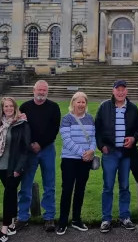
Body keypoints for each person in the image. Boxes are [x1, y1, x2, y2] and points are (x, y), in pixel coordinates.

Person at [94, 79, 138, 233]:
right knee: (107, 186)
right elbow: (97, 128)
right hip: (110, 152)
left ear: (126, 91)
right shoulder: (104, 106)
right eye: (117, 89)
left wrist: (133, 138)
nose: (120, 92)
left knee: (125, 186)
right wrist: (101, 146)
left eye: (123, 89)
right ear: (113, 91)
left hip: (126, 153)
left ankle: (124, 217)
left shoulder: (133, 108)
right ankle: (106, 219)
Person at [17, 80, 61, 232]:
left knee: (49, 184)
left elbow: (54, 130)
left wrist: (40, 144)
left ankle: (49, 217)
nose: (41, 92)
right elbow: (21, 128)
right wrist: (30, 144)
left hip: (47, 148)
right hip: (29, 151)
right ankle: (22, 217)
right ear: (33, 90)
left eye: (44, 90)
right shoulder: (25, 107)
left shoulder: (54, 107)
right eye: (39, 90)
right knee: (26, 184)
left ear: (47, 91)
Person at [0, 97, 31, 242]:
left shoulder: (22, 124)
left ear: (15, 107)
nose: (8, 109)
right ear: (2, 108)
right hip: (1, 165)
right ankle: (12, 224)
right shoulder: (0, 123)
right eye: (5, 106)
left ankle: (4, 230)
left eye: (11, 106)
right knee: (11, 193)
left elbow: (26, 149)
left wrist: (19, 167)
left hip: (14, 167)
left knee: (8, 194)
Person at [57, 92, 97, 235]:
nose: (81, 105)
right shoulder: (66, 119)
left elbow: (93, 137)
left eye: (83, 102)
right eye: (78, 102)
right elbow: (67, 140)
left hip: (85, 161)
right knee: (67, 190)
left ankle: (76, 219)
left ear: (86, 104)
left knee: (80, 189)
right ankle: (62, 222)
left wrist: (91, 150)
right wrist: (83, 153)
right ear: (73, 103)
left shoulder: (90, 118)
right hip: (69, 159)